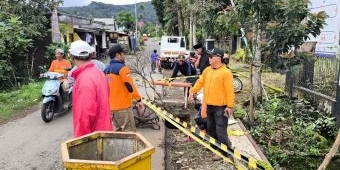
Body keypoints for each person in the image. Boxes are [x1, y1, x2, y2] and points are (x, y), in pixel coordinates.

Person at [188, 48, 235, 161]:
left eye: (210, 57)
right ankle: (215, 148)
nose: (208, 58)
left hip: (221, 107)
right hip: (209, 106)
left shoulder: (226, 73)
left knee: (220, 130)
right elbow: (200, 82)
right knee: (211, 129)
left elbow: (230, 91)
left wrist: (230, 106)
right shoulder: (207, 70)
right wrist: (192, 91)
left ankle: (224, 152)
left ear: (218, 58)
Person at [69, 40, 113, 138]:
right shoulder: (99, 73)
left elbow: (84, 115)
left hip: (93, 137)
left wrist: (80, 140)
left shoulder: (84, 79)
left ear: (72, 57)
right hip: (104, 131)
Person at [104, 44, 145, 132]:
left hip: (111, 109)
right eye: (123, 54)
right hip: (123, 108)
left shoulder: (106, 70)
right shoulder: (123, 68)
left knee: (117, 133)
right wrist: (138, 100)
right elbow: (130, 86)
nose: (124, 56)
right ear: (118, 55)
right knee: (129, 133)